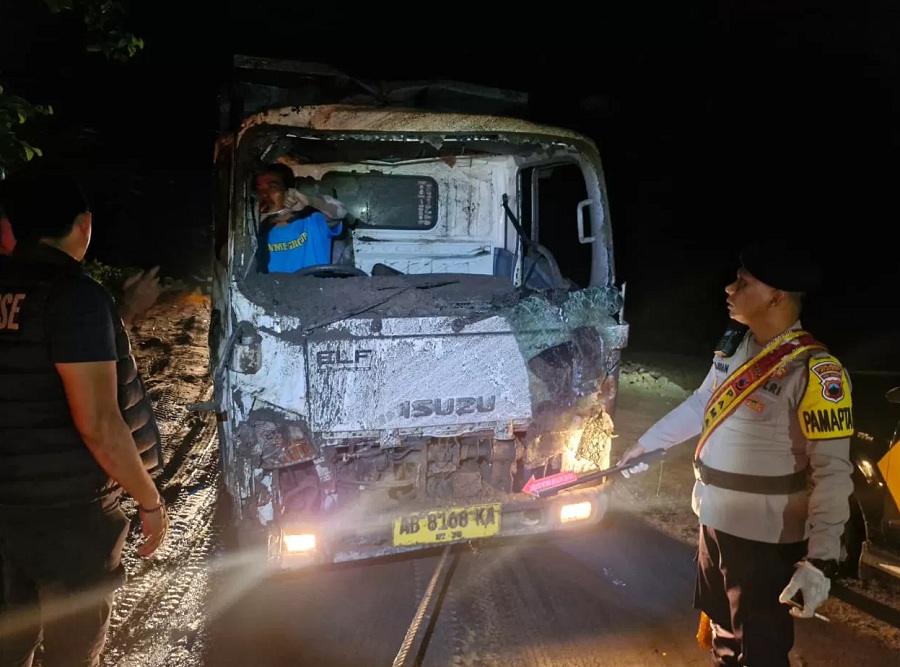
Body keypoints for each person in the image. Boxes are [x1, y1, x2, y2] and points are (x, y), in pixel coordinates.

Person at [618, 238, 854, 667]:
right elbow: (701, 405)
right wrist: (646, 446)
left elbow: (832, 473)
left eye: (743, 282)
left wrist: (820, 560)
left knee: (761, 651)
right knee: (725, 637)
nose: (729, 288)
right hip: (714, 523)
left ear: (776, 296)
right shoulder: (734, 345)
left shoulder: (816, 372)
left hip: (765, 540)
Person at [0, 166, 170, 667]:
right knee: (73, 647)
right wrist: (149, 500)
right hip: (68, 516)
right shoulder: (74, 296)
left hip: (5, 507)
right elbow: (99, 425)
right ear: (84, 224)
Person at [253, 162, 347, 273]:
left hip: (314, 288)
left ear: (289, 191)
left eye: (273, 187)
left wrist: (309, 201)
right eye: (259, 189)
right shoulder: (254, 230)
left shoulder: (312, 218)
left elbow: (341, 212)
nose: (264, 195)